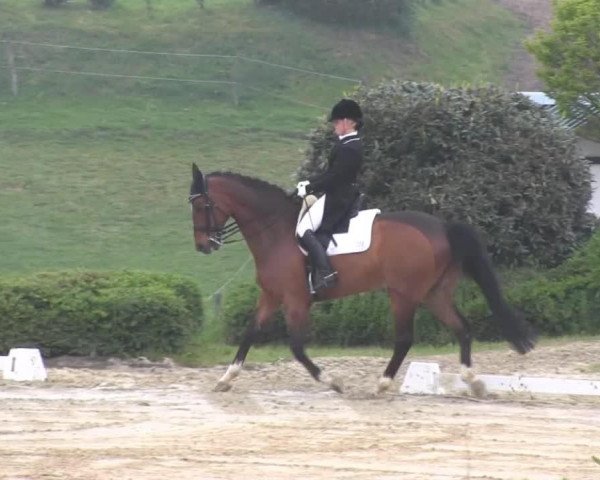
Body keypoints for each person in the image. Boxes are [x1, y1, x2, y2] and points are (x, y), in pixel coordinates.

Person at [295, 98, 364, 292]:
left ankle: (326, 273)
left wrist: (310, 188)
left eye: (336, 122)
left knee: (303, 230)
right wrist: (309, 183)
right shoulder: (348, 144)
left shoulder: (350, 147)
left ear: (348, 122)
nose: (334, 126)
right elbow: (330, 173)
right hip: (338, 193)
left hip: (339, 198)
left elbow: (335, 177)